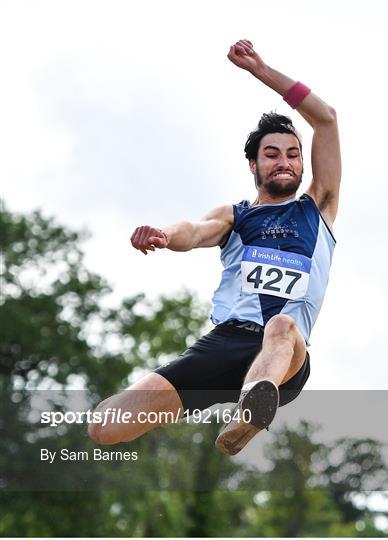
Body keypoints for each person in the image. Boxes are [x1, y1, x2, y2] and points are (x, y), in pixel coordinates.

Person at [88, 39, 341, 456]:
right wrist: (165, 237)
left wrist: (261, 71)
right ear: (254, 165)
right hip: (224, 344)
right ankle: (243, 398)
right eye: (272, 154)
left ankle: (251, 408)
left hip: (283, 354)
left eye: (294, 155)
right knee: (105, 427)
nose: (285, 162)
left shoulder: (319, 207)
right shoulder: (236, 216)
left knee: (282, 325)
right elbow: (196, 230)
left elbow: (327, 120)